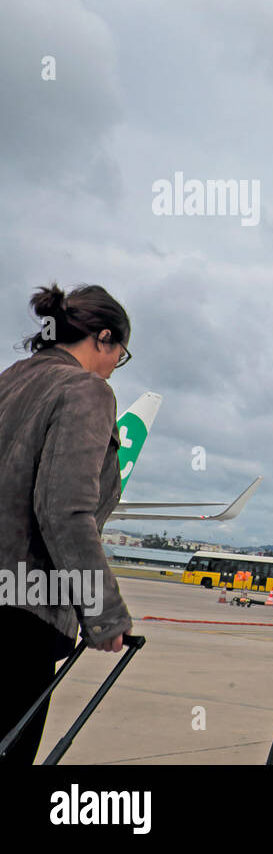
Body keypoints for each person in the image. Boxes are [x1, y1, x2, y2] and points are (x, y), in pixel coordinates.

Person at [0, 285, 135, 766]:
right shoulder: (83, 389)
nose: (114, 365)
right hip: (20, 611)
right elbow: (65, 509)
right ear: (103, 338)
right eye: (120, 354)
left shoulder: (9, 381)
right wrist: (105, 615)